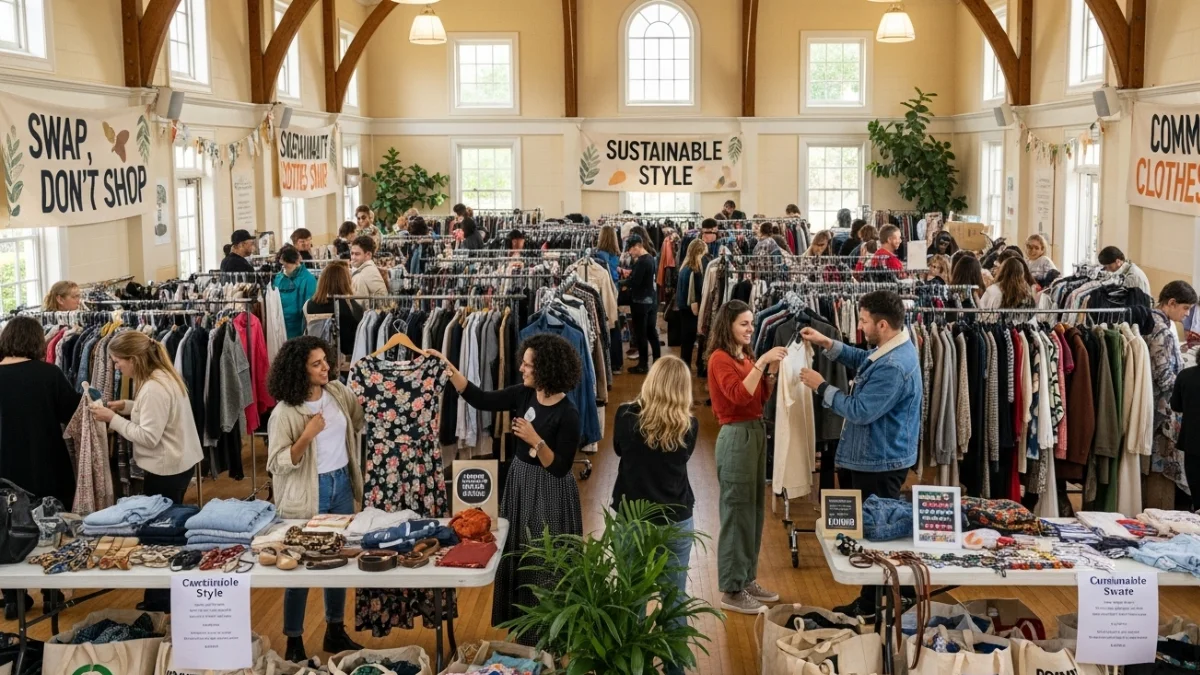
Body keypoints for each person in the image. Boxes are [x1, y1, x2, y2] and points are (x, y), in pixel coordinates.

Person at [431, 334, 583, 646]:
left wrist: (534, 439)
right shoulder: (523, 394)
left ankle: (548, 637)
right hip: (520, 484)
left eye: (528, 364)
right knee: (519, 554)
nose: (522, 368)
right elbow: (481, 398)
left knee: (544, 560)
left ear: (547, 369)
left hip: (549, 492)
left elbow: (560, 468)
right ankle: (525, 632)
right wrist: (447, 368)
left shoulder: (568, 413)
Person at [797, 290, 921, 618]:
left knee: (874, 535)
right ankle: (889, 595)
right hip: (871, 456)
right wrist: (827, 342)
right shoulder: (890, 347)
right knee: (869, 531)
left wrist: (821, 386)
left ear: (882, 324)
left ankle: (871, 605)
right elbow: (861, 360)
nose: (860, 325)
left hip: (879, 461)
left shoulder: (895, 364)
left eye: (864, 321)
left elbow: (860, 410)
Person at [88, 331, 204, 612]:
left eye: (118, 362)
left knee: (159, 535)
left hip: (166, 468)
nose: (117, 368)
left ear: (134, 359)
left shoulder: (153, 386)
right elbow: (159, 416)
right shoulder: (163, 376)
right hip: (178, 463)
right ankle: (162, 598)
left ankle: (159, 602)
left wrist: (112, 418)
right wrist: (128, 407)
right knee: (167, 531)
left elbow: (149, 437)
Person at [266, 336, 366, 661]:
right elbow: (276, 463)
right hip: (309, 492)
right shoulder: (285, 413)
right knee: (299, 563)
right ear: (300, 370)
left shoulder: (337, 392)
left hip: (341, 486)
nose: (326, 367)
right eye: (317, 363)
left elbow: (358, 419)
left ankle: (334, 630)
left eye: (326, 360)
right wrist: (307, 435)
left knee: (335, 561)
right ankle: (294, 640)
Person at [611, 356, 698, 675]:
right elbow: (683, 456)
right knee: (674, 602)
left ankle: (634, 668)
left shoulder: (624, 416)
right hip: (676, 519)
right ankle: (675, 670)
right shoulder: (688, 425)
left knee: (631, 599)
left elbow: (620, 450)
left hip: (632, 518)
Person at [706, 300, 786, 614]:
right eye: (744, 323)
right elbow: (738, 396)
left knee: (753, 511)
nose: (751, 328)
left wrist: (771, 372)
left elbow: (759, 397)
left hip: (754, 432)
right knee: (736, 512)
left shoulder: (744, 355)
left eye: (752, 323)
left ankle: (746, 577)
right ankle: (731, 588)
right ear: (728, 325)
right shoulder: (719, 359)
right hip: (736, 435)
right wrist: (762, 362)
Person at [0, 317, 77, 619]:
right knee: (51, 526)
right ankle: (51, 592)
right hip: (45, 460)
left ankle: (12, 598)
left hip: (4, 466)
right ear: (37, 342)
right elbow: (70, 413)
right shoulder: (49, 374)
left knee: (5, 529)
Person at [1144, 281, 1198, 508]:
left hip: (1156, 405)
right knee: (1164, 471)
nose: (1186, 315)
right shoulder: (1162, 331)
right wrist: (1185, 380)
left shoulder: (1153, 322)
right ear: (1172, 302)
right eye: (1185, 308)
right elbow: (1164, 377)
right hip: (1161, 410)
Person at [303, 261, 363, 367]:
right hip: (343, 363)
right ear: (345, 281)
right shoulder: (349, 306)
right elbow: (352, 344)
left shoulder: (308, 304)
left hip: (314, 359)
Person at [623, 235, 660, 375]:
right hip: (651, 300)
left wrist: (624, 283)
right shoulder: (651, 258)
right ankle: (657, 361)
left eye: (631, 250)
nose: (630, 253)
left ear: (637, 246)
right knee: (652, 332)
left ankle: (643, 365)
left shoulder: (641, 262)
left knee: (641, 334)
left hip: (640, 302)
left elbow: (635, 283)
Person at [274, 247, 318, 340]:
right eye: (282, 265)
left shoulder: (308, 279)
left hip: (299, 326)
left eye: (286, 265)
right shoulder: (278, 278)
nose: (284, 268)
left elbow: (309, 308)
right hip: (278, 325)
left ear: (297, 262)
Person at [677, 239, 707, 373]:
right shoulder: (695, 271)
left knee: (686, 342)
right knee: (691, 340)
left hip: (683, 308)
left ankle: (684, 367)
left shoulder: (684, 268)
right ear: (699, 252)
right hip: (692, 310)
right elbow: (696, 295)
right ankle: (688, 369)